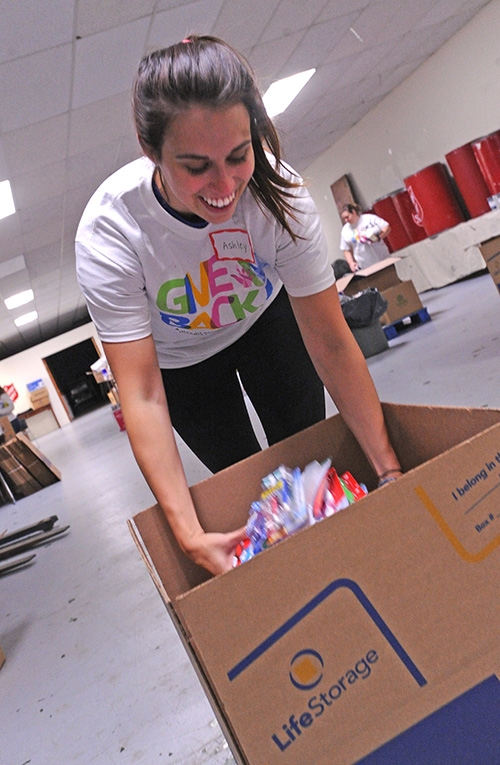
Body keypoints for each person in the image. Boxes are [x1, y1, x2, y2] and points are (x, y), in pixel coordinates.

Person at [76, 35, 402, 576]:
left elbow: (328, 340)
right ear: (149, 148)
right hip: (181, 363)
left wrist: (387, 469)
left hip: (266, 320)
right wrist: (188, 535)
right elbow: (141, 394)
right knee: (245, 485)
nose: (225, 186)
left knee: (304, 464)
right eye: (196, 166)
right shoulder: (111, 233)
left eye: (238, 155)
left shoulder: (280, 196)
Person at [340, 203, 391, 271]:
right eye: (344, 219)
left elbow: (386, 227)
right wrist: (351, 263)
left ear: (353, 212)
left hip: (382, 258)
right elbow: (346, 249)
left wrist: (378, 237)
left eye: (347, 217)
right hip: (365, 265)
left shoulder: (369, 218)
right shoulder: (345, 230)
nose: (346, 220)